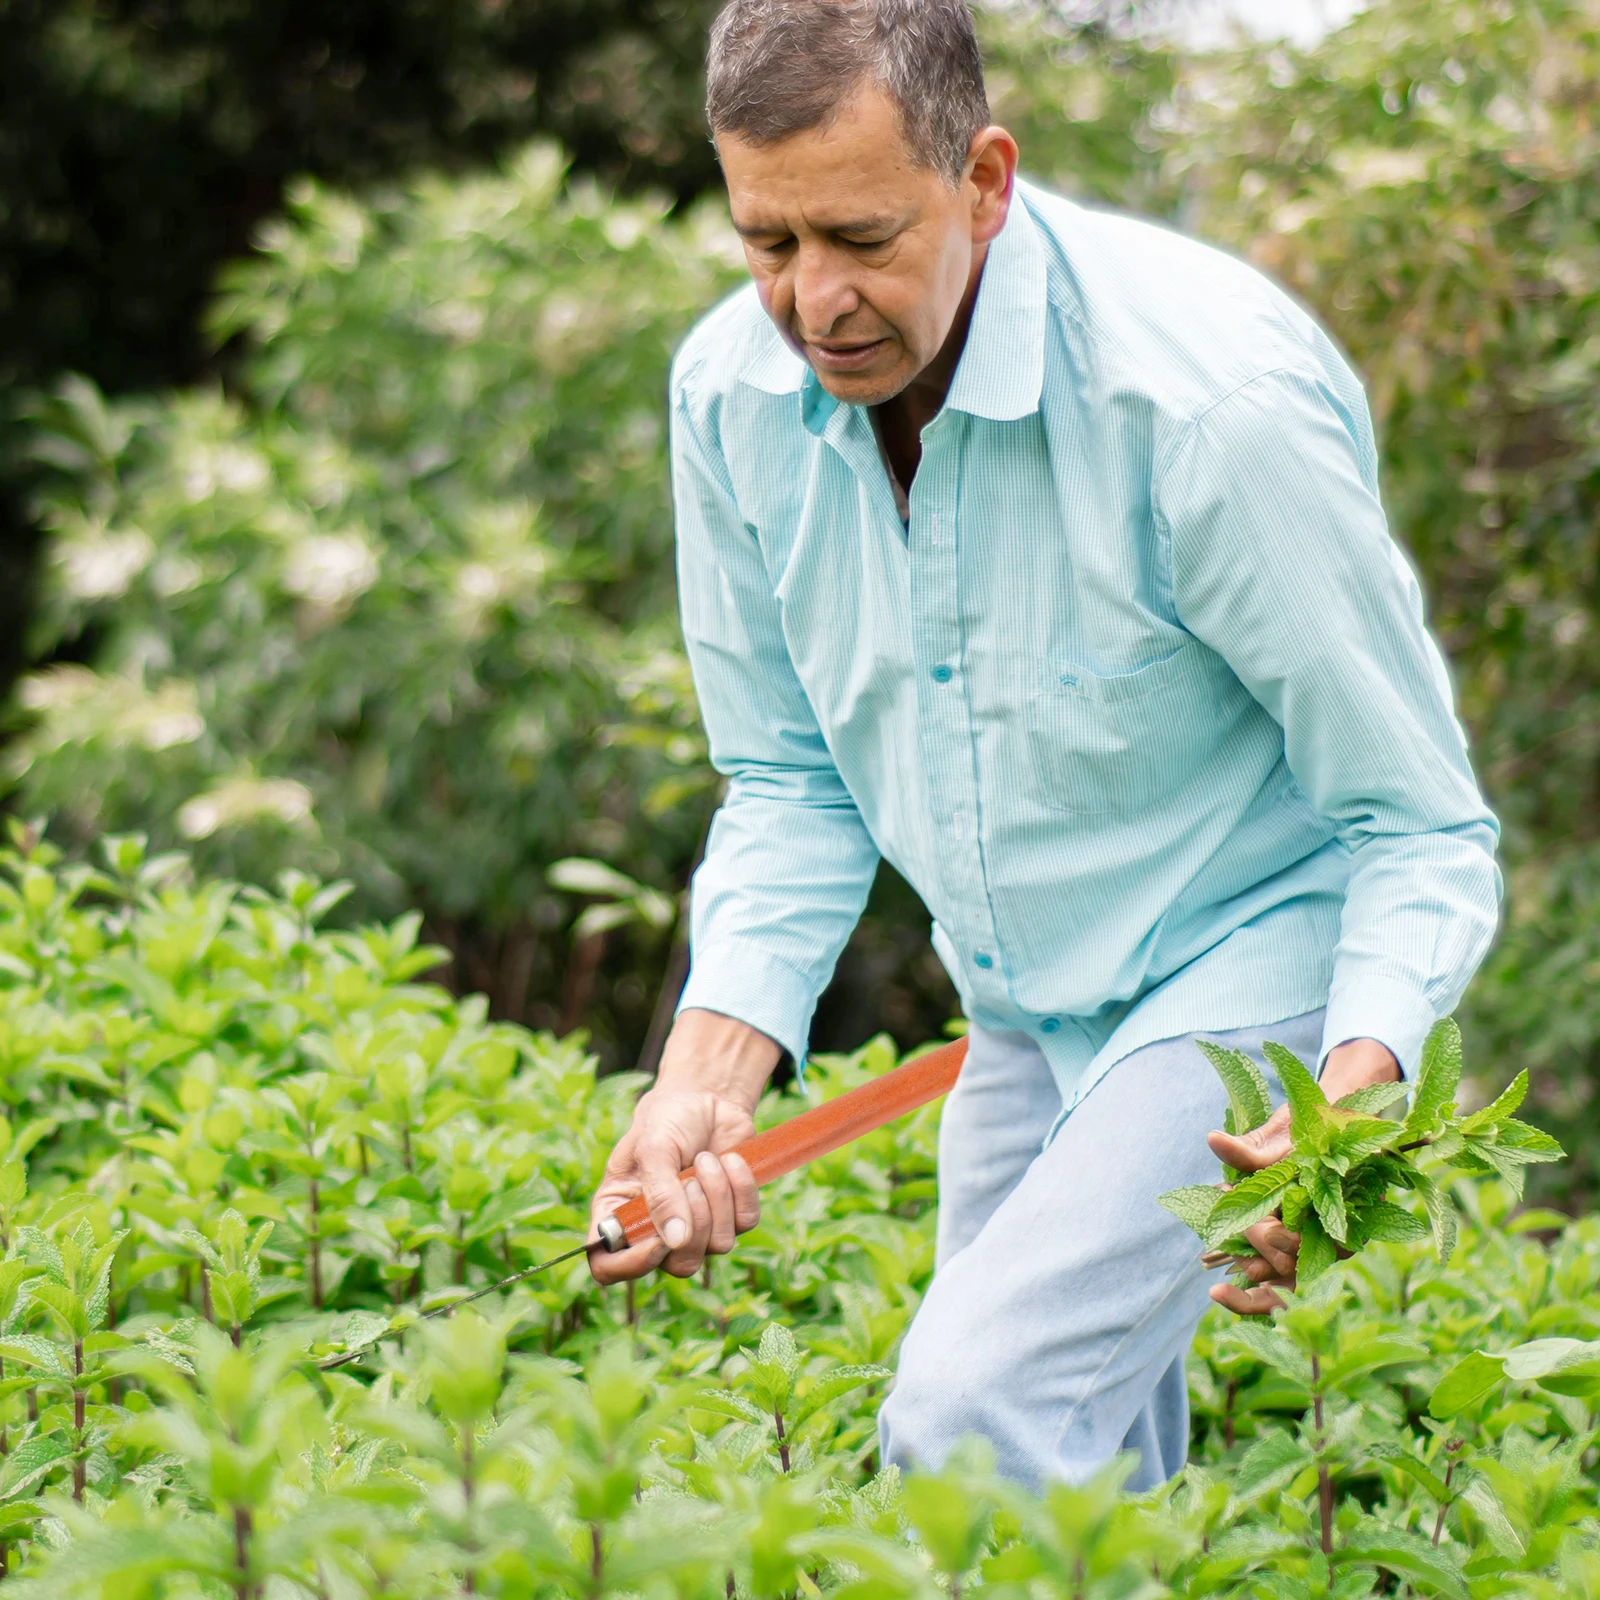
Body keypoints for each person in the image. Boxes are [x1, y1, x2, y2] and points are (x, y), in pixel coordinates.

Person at [589, 0, 1500, 1492]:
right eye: (769, 243)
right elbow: (792, 779)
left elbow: (1417, 822)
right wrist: (705, 1080)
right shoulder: (728, 397)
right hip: (1021, 1002)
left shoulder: (1210, 407)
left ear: (985, 181)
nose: (815, 302)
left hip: (1253, 952)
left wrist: (1345, 1100)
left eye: (862, 238)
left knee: (974, 1419)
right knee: (1068, 1498)